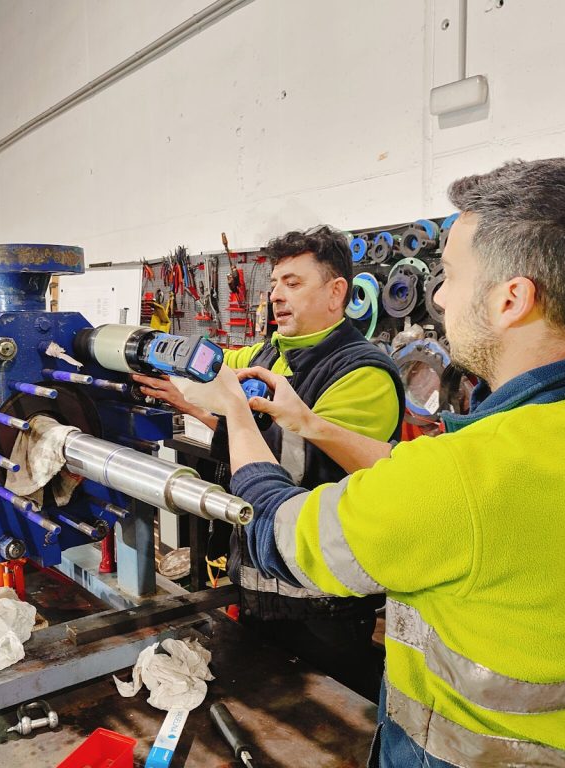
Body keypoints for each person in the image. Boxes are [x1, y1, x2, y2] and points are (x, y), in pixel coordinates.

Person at [174, 159, 565, 767]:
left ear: (511, 299)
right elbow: (420, 473)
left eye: (453, 277)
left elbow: (278, 534)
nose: (438, 296)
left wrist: (233, 412)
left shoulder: (462, 474)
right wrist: (306, 422)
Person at [133, 225, 405, 701]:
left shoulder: (363, 372)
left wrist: (202, 408)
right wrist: (151, 355)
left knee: (332, 719)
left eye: (294, 283)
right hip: (260, 585)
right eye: (275, 282)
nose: (276, 296)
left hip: (323, 601)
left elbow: (287, 468)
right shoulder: (268, 353)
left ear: (337, 292)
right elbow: (212, 366)